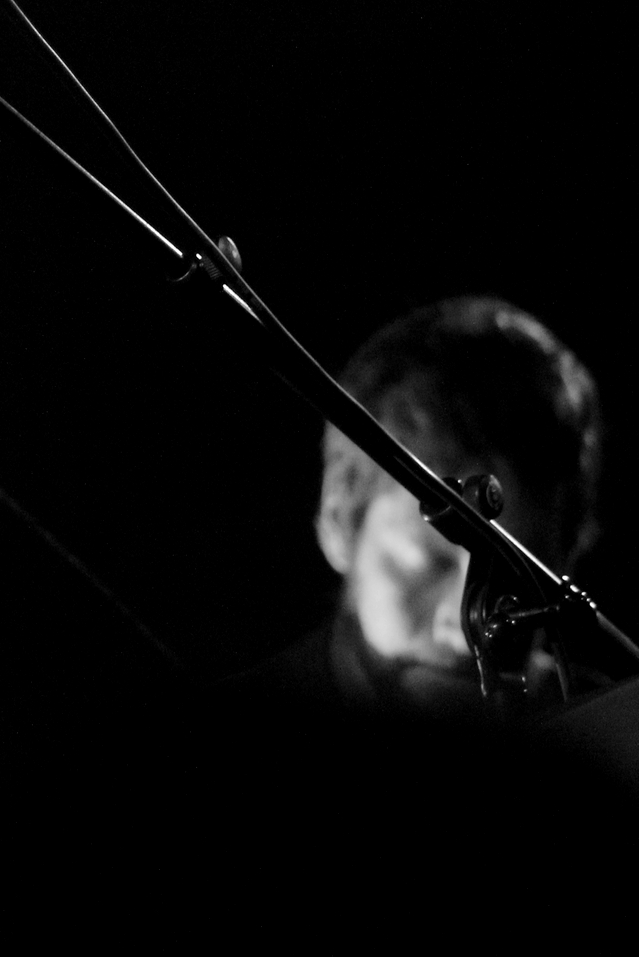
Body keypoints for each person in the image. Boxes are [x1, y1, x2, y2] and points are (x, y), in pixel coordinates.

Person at [256, 295, 605, 717]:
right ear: (339, 518)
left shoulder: (611, 736)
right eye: (430, 563)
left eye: (515, 582)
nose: (466, 635)